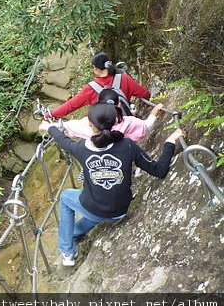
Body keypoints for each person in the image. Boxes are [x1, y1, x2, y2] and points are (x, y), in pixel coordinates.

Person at [40, 103, 182, 266]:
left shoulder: (81, 148)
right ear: (115, 120)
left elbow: (63, 140)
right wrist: (170, 142)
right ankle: (75, 232)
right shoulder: (128, 146)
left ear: (90, 125)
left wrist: (50, 127)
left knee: (66, 197)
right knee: (95, 203)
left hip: (95, 208)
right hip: (119, 211)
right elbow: (159, 170)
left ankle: (67, 252)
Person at [45, 52, 150, 119]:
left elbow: (71, 105)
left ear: (95, 68)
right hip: (126, 121)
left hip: (105, 129)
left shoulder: (90, 89)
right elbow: (145, 94)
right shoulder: (124, 78)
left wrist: (51, 114)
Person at [51, 88, 164, 141]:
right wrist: (154, 111)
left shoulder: (89, 125)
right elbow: (146, 125)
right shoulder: (129, 122)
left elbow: (68, 126)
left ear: (99, 103)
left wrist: (48, 124)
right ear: (119, 104)